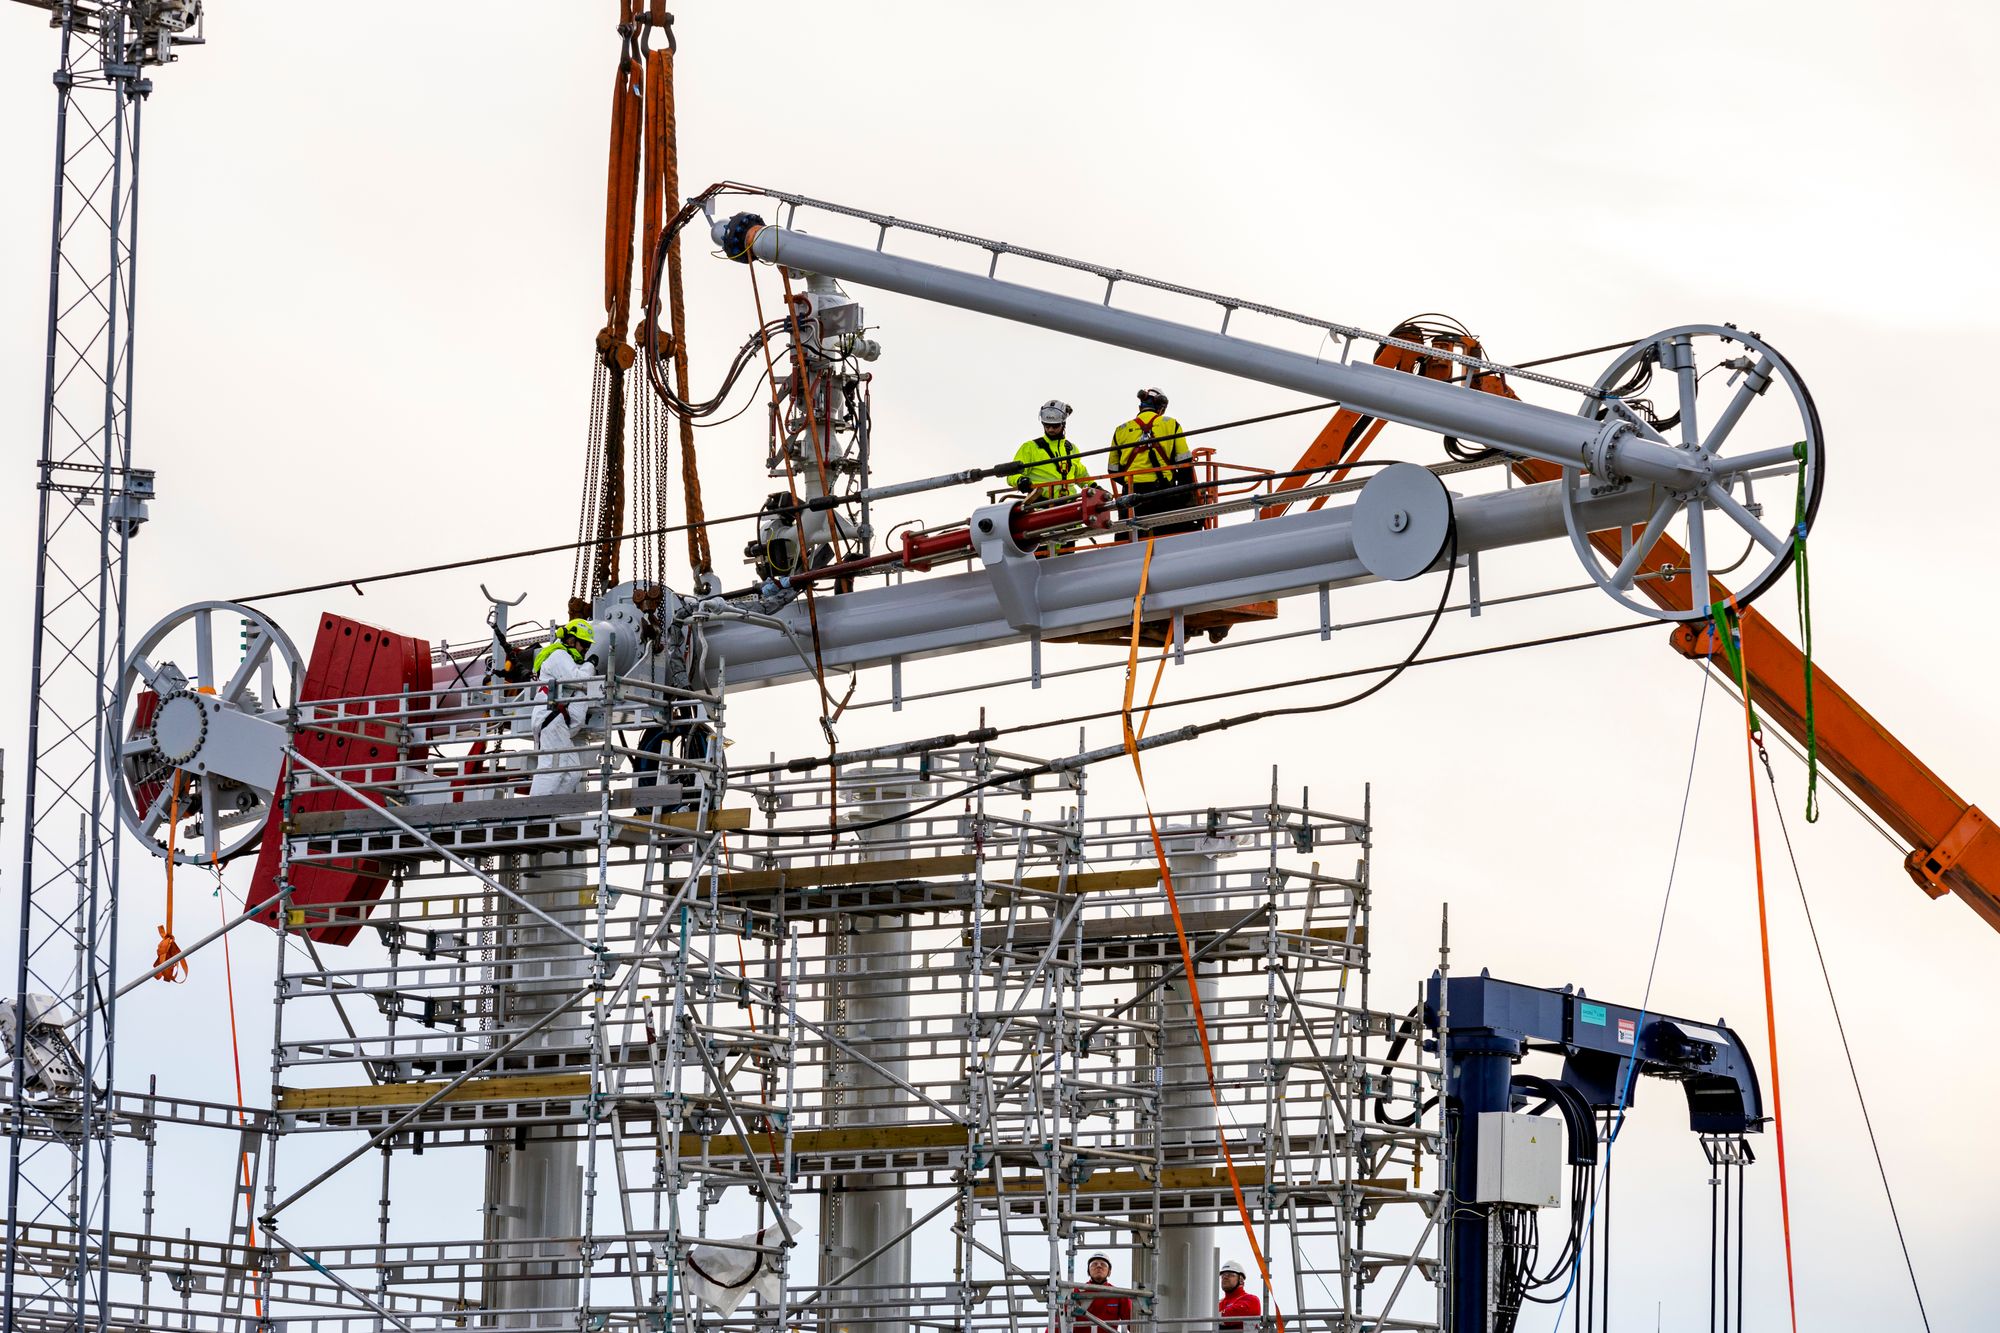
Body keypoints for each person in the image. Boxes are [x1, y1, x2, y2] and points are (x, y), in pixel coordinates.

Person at [1109, 388, 1198, 536]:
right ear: (1161, 408)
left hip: (1130, 494)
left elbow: (1113, 471)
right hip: (1162, 494)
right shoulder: (1171, 424)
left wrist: (1131, 482)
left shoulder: (1121, 430)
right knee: (1168, 537)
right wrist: (1183, 496)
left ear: (1140, 407)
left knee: (1127, 538)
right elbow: (1184, 463)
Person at [528, 618, 598, 797]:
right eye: (584, 644)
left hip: (555, 720)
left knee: (573, 771)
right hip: (549, 717)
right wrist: (590, 665)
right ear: (570, 640)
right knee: (551, 767)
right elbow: (578, 680)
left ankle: (551, 810)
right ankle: (533, 811)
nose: (585, 649)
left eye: (588, 646)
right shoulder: (559, 656)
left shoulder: (568, 660)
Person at [1010, 399, 1086, 502]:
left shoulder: (1072, 449)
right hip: (1042, 505)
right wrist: (1021, 480)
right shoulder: (1030, 447)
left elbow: (1081, 475)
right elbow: (1012, 474)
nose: (1050, 429)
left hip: (1070, 503)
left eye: (1055, 426)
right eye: (1046, 425)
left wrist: (1096, 488)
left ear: (1063, 424)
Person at [1069, 1252, 1131, 1331]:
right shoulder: (1076, 1293)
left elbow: (1134, 1325)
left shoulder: (1118, 1295)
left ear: (1109, 1272)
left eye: (1103, 1264)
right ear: (1088, 1271)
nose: (1099, 1266)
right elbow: (1059, 1321)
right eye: (1094, 1264)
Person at [1217, 1259, 1260, 1331]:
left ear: (1241, 1280)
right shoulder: (1219, 1303)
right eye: (1223, 1275)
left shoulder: (1251, 1300)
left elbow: (1230, 1316)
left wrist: (1211, 1316)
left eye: (1230, 1275)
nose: (1225, 1277)